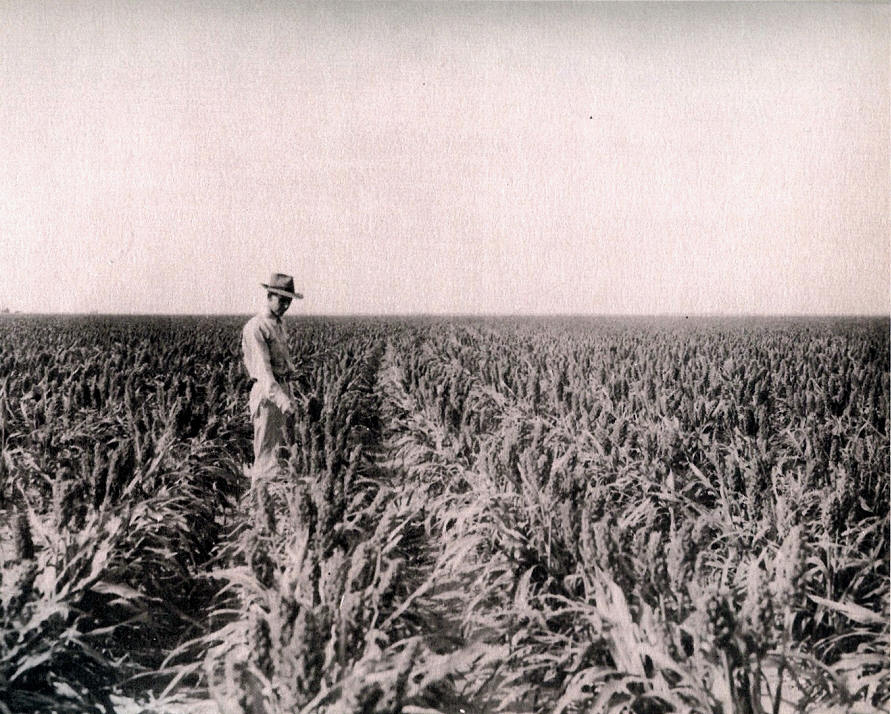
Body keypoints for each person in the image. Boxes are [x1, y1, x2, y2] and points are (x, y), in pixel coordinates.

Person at [241, 273, 302, 479]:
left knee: (282, 455)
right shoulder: (256, 327)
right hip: (268, 397)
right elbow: (264, 373)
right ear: (269, 296)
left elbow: (282, 359)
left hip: (282, 391)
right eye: (281, 300)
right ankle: (259, 495)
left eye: (289, 301)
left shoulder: (279, 323)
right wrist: (284, 402)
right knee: (266, 458)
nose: (286, 305)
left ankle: (279, 494)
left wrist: (293, 373)